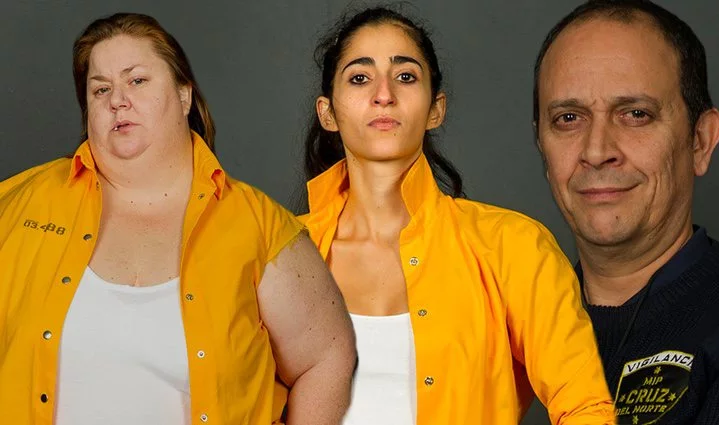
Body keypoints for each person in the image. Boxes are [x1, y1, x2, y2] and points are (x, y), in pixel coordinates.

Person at [0, 13, 356, 425]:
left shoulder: (259, 227)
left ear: (184, 95)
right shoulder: (19, 206)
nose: (117, 100)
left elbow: (327, 355)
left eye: (137, 80)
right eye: (100, 89)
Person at [299, 6, 615, 425]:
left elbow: (585, 408)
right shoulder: (276, 256)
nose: (384, 94)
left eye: (405, 76)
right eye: (360, 78)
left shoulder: (513, 246)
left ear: (436, 108)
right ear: (328, 113)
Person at [533, 1, 719, 424]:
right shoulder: (503, 329)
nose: (596, 151)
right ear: (542, 147)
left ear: (700, 141)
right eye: (569, 118)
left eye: (636, 114)